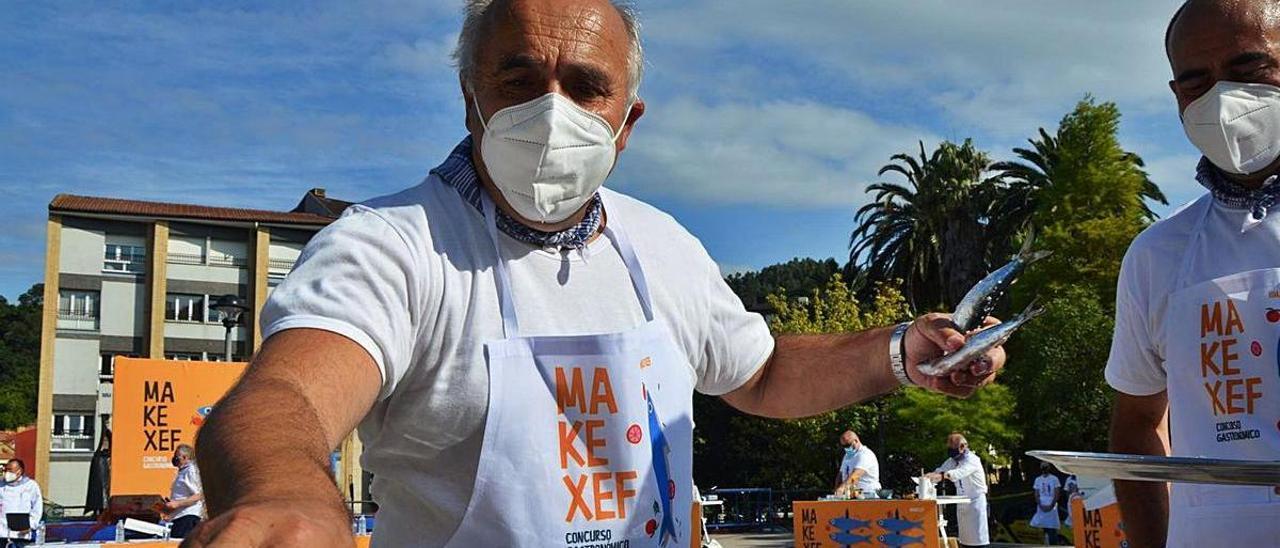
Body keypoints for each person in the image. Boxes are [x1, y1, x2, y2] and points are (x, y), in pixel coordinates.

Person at [184, 0, 1008, 545]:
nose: (552, 112)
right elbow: (284, 396)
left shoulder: (661, 244)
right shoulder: (392, 246)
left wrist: (902, 352)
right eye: (519, 79)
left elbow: (759, 373)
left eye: (585, 87)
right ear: (472, 98)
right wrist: (285, 495)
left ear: (626, 123)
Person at [1107, 1, 1280, 546]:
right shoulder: (1157, 253)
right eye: (1195, 81)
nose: (1223, 99)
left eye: (1249, 71)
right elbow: (1136, 423)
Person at [925, 433, 988, 547]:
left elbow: (958, 473)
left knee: (978, 540)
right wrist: (929, 476)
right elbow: (941, 470)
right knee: (964, 540)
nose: (951, 451)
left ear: (963, 446)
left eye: (953, 448)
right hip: (962, 502)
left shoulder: (973, 460)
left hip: (975, 502)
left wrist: (942, 476)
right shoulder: (952, 461)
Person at [164, 445, 204, 538]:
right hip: (180, 517)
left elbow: (198, 495)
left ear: (185, 457)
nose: (174, 458)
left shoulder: (191, 470)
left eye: (177, 456)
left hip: (187, 518)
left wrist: (177, 504)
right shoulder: (183, 471)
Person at [0, 460, 42, 547]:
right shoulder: (1, 486)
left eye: (10, 470)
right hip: (2, 533)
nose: (7, 473)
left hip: (21, 533)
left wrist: (31, 525)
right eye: (6, 470)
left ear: (19, 471)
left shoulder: (31, 486)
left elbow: (37, 508)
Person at [834, 431, 881, 498]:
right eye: (843, 446)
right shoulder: (847, 456)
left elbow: (855, 475)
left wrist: (841, 489)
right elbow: (841, 474)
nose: (846, 448)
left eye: (848, 445)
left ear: (856, 441)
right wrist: (836, 491)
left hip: (868, 496)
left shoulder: (865, 454)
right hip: (853, 495)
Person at [1030, 463, 1061, 545]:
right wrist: (1040, 505)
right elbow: (1036, 493)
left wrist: (1052, 505)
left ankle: (1053, 545)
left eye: (1045, 467)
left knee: (1052, 528)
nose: (1044, 469)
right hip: (1042, 504)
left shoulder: (1054, 479)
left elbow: (1057, 493)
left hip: (1051, 504)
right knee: (1043, 527)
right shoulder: (1038, 479)